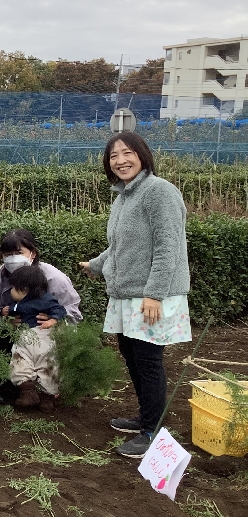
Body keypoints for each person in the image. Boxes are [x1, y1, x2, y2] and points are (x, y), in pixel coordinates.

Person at [81, 131, 191, 459]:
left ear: (142, 154)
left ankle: (152, 431)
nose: (120, 161)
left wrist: (154, 294)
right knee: (131, 356)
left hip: (151, 295)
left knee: (148, 361)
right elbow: (121, 245)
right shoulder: (124, 196)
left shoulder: (159, 192)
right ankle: (145, 418)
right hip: (128, 294)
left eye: (127, 153)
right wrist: (97, 265)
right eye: (114, 156)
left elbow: (167, 245)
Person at [6, 265, 68, 412]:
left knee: (48, 365)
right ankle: (28, 393)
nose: (11, 291)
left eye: (13, 288)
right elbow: (10, 311)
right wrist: (6, 313)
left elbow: (60, 310)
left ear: (24, 289)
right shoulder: (18, 304)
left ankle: (47, 397)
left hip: (43, 337)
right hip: (23, 339)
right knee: (19, 361)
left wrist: (52, 321)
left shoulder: (45, 299)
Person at [0, 229, 82, 324]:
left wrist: (54, 320)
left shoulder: (53, 278)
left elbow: (73, 313)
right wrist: (6, 321)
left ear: (33, 254)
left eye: (19, 253)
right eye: (8, 255)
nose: (14, 259)